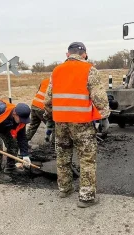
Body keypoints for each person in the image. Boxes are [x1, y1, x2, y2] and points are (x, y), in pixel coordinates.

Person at [44, 42, 110, 208]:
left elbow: (48, 100)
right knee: (87, 158)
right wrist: (104, 117)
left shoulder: (56, 71)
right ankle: (86, 197)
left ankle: (65, 189)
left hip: (61, 123)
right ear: (84, 54)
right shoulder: (89, 70)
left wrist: (50, 119)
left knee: (63, 156)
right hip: (82, 123)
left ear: (67, 54)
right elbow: (100, 98)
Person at [26, 78, 55, 143]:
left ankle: (23, 144)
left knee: (33, 126)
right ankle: (54, 148)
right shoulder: (57, 82)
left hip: (34, 105)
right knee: (55, 127)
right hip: (43, 107)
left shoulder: (45, 80)